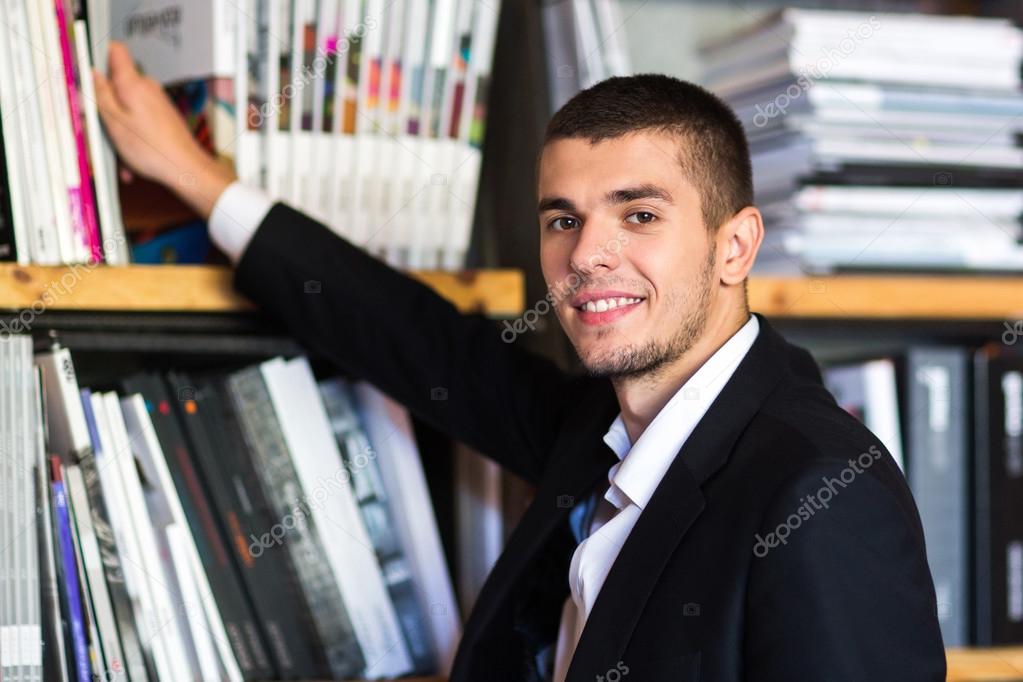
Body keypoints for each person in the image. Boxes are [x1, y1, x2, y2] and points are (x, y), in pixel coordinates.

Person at [94, 42, 946, 681]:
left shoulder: (816, 493)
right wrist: (200, 180)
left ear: (734, 247)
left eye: (638, 216)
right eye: (562, 219)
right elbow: (419, 342)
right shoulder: (601, 426)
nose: (587, 256)